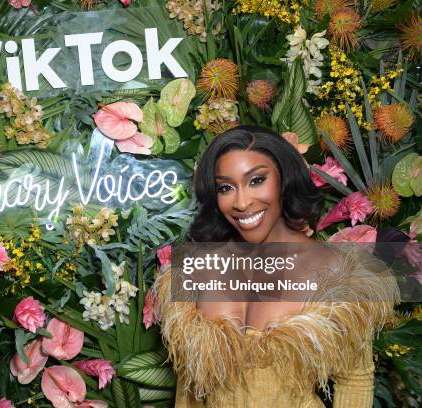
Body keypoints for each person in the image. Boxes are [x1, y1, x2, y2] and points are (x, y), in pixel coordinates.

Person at [154, 126, 400, 407]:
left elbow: (354, 381)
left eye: (256, 180)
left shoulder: (335, 269)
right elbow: (190, 388)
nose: (242, 202)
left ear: (284, 179)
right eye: (226, 187)